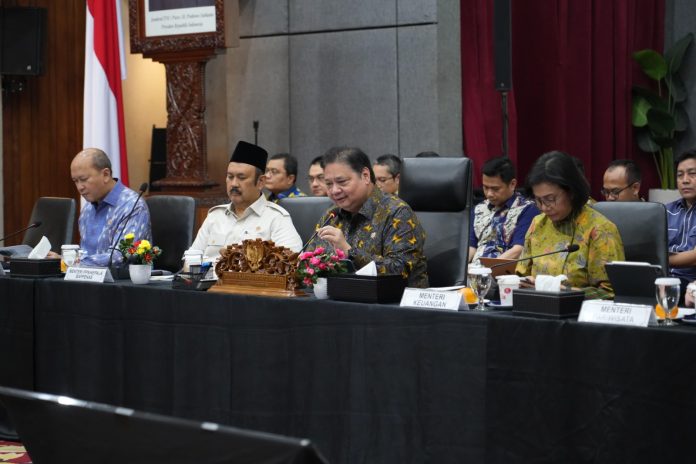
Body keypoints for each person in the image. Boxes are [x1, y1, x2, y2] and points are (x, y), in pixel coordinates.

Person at [307, 147, 428, 287]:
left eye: (342, 182)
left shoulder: (397, 213)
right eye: (329, 184)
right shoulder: (331, 215)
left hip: (393, 299)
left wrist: (349, 252)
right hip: (338, 296)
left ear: (365, 175)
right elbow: (309, 262)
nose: (334, 190)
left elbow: (400, 270)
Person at [516, 150, 624, 299]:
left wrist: (565, 292)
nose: (544, 207)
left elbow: (610, 292)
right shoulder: (538, 223)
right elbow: (521, 275)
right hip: (536, 307)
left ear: (571, 192)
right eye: (539, 200)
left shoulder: (600, 230)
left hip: (578, 312)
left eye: (550, 199)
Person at [189, 141, 302, 259]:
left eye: (241, 178)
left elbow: (291, 261)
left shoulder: (276, 218)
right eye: (230, 177)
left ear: (260, 182)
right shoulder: (215, 216)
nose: (234, 184)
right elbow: (192, 258)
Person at [70, 148, 151, 266]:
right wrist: (62, 260)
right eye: (75, 181)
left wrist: (72, 262)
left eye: (83, 180)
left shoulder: (133, 205)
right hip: (86, 275)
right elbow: (84, 253)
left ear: (106, 175)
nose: (79, 187)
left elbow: (121, 255)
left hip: (124, 277)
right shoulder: (87, 209)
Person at [469, 156, 539, 262]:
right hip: (475, 268)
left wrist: (489, 268)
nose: (489, 194)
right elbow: (471, 247)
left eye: (495, 189)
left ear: (512, 184)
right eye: (485, 187)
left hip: (504, 269)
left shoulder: (527, 209)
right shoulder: (478, 209)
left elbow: (518, 250)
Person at [667, 150, 696, 294]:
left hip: (691, 283)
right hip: (662, 278)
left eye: (692, 174)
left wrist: (657, 259)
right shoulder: (665, 211)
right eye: (680, 175)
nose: (685, 180)